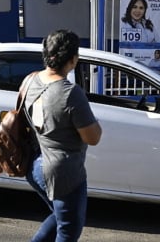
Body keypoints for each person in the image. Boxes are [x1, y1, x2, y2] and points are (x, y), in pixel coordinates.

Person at [24, 29, 102, 242]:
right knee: (68, 230)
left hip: (35, 166)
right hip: (64, 174)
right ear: (73, 59)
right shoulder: (70, 93)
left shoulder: (31, 80)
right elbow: (93, 137)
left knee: (60, 219)